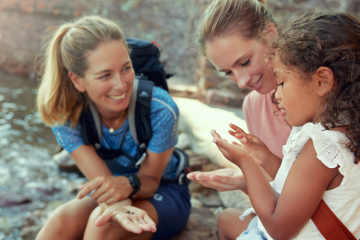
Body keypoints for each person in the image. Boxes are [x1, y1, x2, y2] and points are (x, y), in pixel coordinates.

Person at [35, 15, 190, 240]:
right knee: (61, 221)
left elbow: (150, 182)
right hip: (113, 189)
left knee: (102, 227)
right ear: (78, 80)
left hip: (162, 190)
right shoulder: (65, 116)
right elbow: (102, 181)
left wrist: (125, 190)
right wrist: (117, 206)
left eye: (126, 68)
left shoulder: (160, 109)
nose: (121, 84)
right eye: (105, 75)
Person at [211, 11, 360, 239]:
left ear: (322, 81)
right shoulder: (342, 131)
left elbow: (278, 227)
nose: (276, 94)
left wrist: (245, 163)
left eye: (281, 82)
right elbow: (301, 188)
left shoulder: (323, 147)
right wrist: (267, 159)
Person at [186, 0, 291, 238]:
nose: (242, 82)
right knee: (226, 219)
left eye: (244, 62)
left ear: (270, 34)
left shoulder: (321, 92)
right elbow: (276, 189)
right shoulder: (253, 105)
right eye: (228, 73)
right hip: (288, 217)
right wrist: (244, 180)